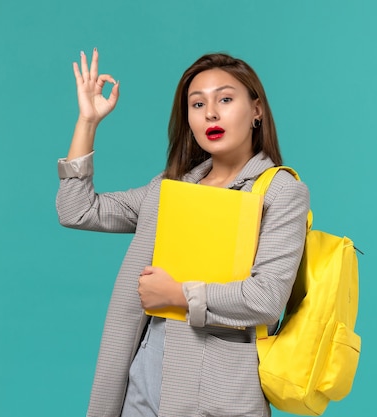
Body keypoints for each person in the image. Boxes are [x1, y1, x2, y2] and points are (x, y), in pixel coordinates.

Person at [56, 49, 310, 417]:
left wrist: (177, 294)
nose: (210, 113)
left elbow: (266, 298)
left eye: (225, 99)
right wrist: (87, 121)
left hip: (220, 395)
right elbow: (77, 210)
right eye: (197, 103)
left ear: (257, 110)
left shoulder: (280, 192)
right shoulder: (169, 189)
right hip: (143, 384)